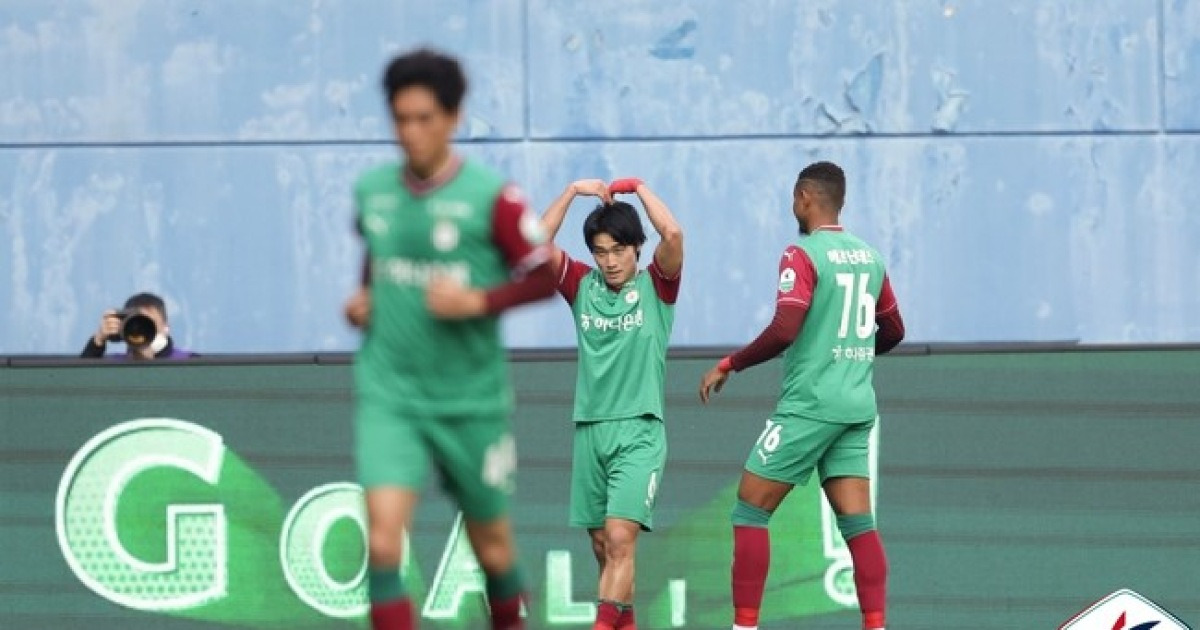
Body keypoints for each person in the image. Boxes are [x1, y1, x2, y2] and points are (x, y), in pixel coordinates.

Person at [342, 48, 557, 630]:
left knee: (494, 551)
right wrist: (365, 301)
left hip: (469, 401)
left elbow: (544, 272)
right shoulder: (373, 193)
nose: (410, 132)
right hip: (392, 397)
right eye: (400, 119)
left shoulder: (493, 198)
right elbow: (379, 258)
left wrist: (478, 301)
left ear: (454, 118)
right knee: (384, 546)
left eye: (424, 119)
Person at [698, 161, 905, 630]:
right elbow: (894, 329)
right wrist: (850, 354)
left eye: (795, 200)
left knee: (750, 507)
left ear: (804, 197)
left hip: (811, 404)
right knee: (858, 525)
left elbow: (785, 327)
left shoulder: (802, 254)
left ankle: (744, 626)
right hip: (856, 406)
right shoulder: (870, 256)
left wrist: (731, 363)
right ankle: (876, 625)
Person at [540, 177, 683, 630]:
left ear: (637, 247)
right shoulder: (583, 286)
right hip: (590, 430)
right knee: (605, 549)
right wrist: (569, 193)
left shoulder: (657, 287)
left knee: (621, 540)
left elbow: (673, 234)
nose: (610, 261)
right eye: (601, 251)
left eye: (619, 249)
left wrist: (639, 188)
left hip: (638, 431)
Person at [79, 292, 195, 360]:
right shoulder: (113, 365)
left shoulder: (189, 362)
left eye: (150, 323)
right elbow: (79, 383)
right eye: (138, 323)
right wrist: (98, 341)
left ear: (166, 328)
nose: (142, 329)